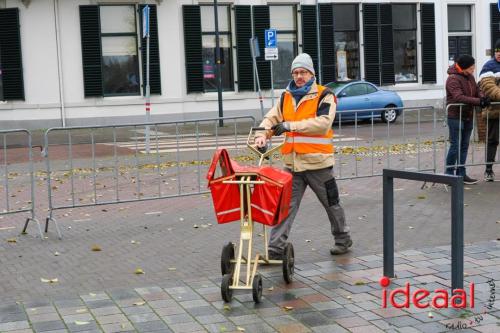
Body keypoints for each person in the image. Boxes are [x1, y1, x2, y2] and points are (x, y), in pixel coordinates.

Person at [254, 53, 352, 257]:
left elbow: (323, 123)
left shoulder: (325, 95)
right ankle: (275, 248)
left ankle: (342, 238)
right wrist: (262, 135)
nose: (299, 76)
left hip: (318, 165)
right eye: (296, 72)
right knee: (284, 207)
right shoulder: (286, 96)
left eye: (303, 72)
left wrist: (290, 125)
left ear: (311, 74)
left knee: (332, 204)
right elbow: (271, 119)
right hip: (293, 165)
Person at [445, 55, 489, 184]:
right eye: (471, 68)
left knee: (464, 146)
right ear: (463, 68)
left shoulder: (469, 76)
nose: (473, 70)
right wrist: (478, 101)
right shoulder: (452, 79)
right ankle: (448, 174)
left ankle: (461, 173)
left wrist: (482, 97)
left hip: (468, 115)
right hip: (455, 116)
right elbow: (458, 97)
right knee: (455, 146)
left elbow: (477, 90)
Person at [479, 40, 500, 182]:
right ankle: (488, 169)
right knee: (493, 140)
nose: (499, 54)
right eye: (497, 51)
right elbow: (489, 88)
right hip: (495, 111)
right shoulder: (489, 66)